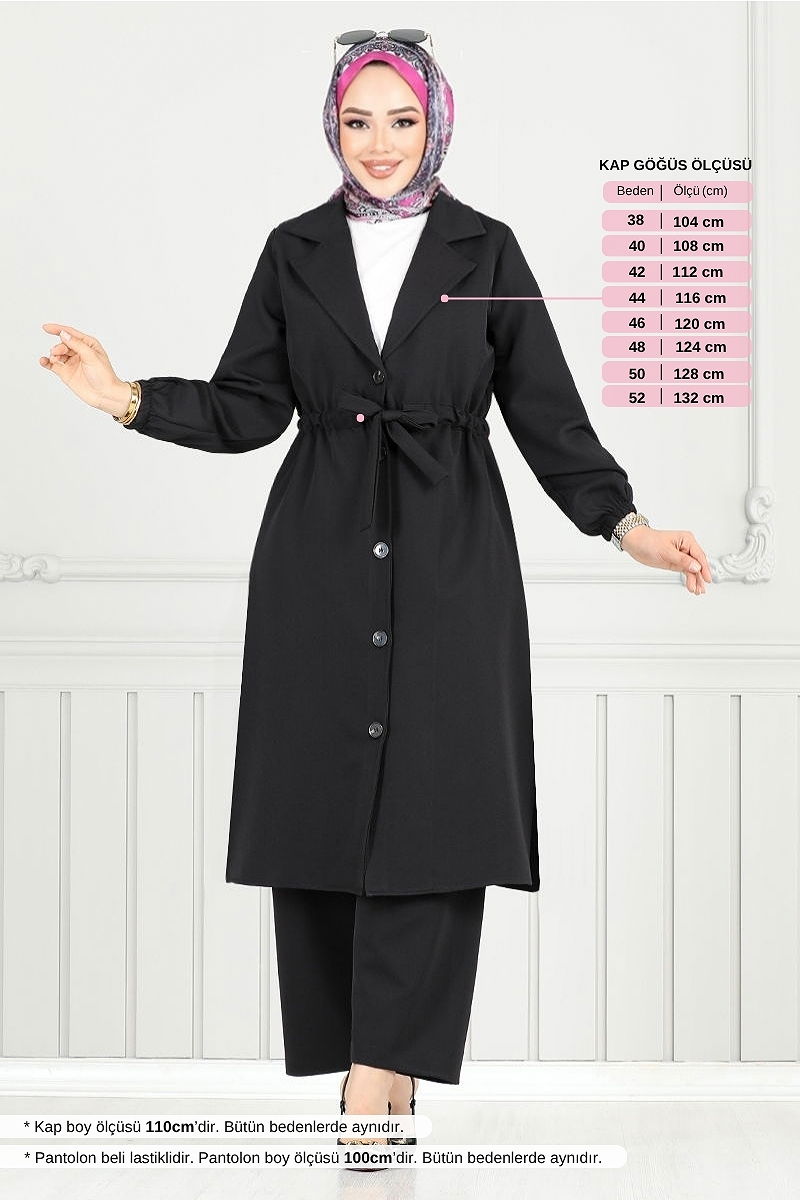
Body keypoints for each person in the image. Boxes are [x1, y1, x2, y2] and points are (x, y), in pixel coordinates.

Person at [39, 29, 712, 1163]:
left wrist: (626, 526)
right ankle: (370, 1073)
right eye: (359, 121)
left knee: (436, 811)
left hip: (452, 557)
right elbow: (249, 407)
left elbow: (546, 416)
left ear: (436, 122)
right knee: (318, 806)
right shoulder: (293, 248)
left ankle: (376, 1079)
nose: (381, 143)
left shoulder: (487, 247)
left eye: (402, 120)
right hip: (316, 553)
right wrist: (124, 397)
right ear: (332, 127)